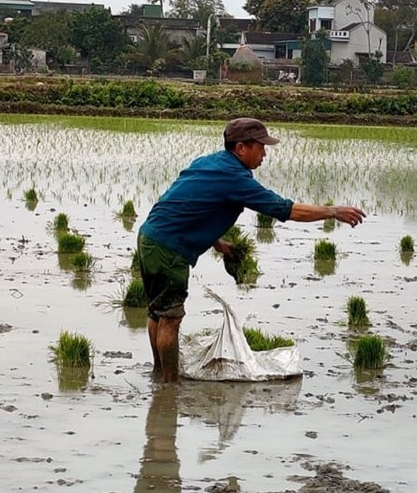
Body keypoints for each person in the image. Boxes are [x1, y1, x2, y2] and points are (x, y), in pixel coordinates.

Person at [136, 117, 367, 382]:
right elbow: (285, 209)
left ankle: (159, 374)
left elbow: (188, 205)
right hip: (168, 249)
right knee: (170, 318)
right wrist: (333, 211)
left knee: (157, 312)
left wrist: (218, 243)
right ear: (241, 148)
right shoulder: (235, 178)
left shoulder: (208, 163)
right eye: (261, 146)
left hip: (150, 237)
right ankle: (169, 386)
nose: (265, 153)